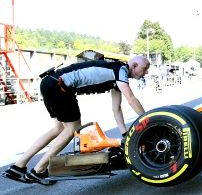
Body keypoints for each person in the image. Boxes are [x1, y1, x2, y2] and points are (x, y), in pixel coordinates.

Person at [2, 56, 150, 185]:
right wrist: (148, 120)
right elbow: (131, 99)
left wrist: (124, 133)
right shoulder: (121, 70)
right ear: (134, 65)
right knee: (72, 129)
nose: (146, 72)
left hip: (49, 83)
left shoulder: (116, 74)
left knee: (59, 129)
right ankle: (38, 170)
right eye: (145, 68)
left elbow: (116, 108)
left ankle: (18, 166)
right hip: (60, 87)